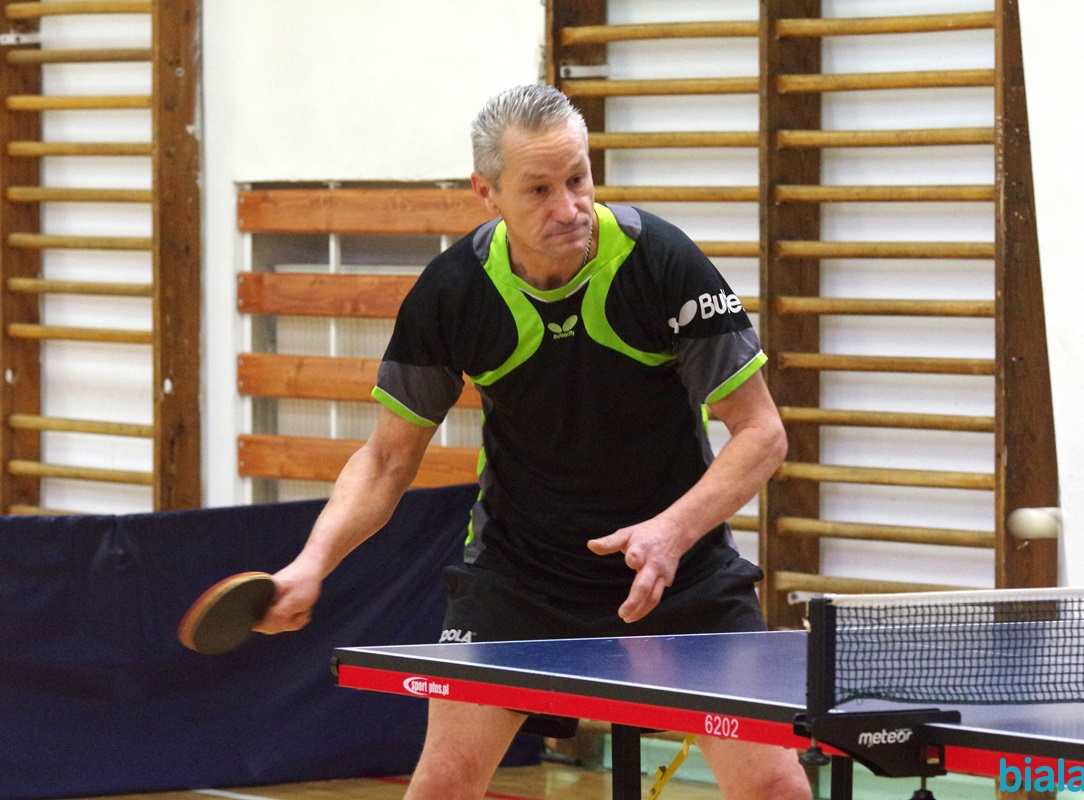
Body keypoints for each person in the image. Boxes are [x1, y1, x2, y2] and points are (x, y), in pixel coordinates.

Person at [257, 84, 812, 800]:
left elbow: (761, 433)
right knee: (443, 784)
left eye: (577, 179)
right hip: (518, 580)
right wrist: (311, 563)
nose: (569, 207)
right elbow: (387, 459)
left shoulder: (662, 264)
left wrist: (673, 532)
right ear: (485, 192)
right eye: (540, 189)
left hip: (678, 572)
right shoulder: (453, 293)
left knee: (776, 788)